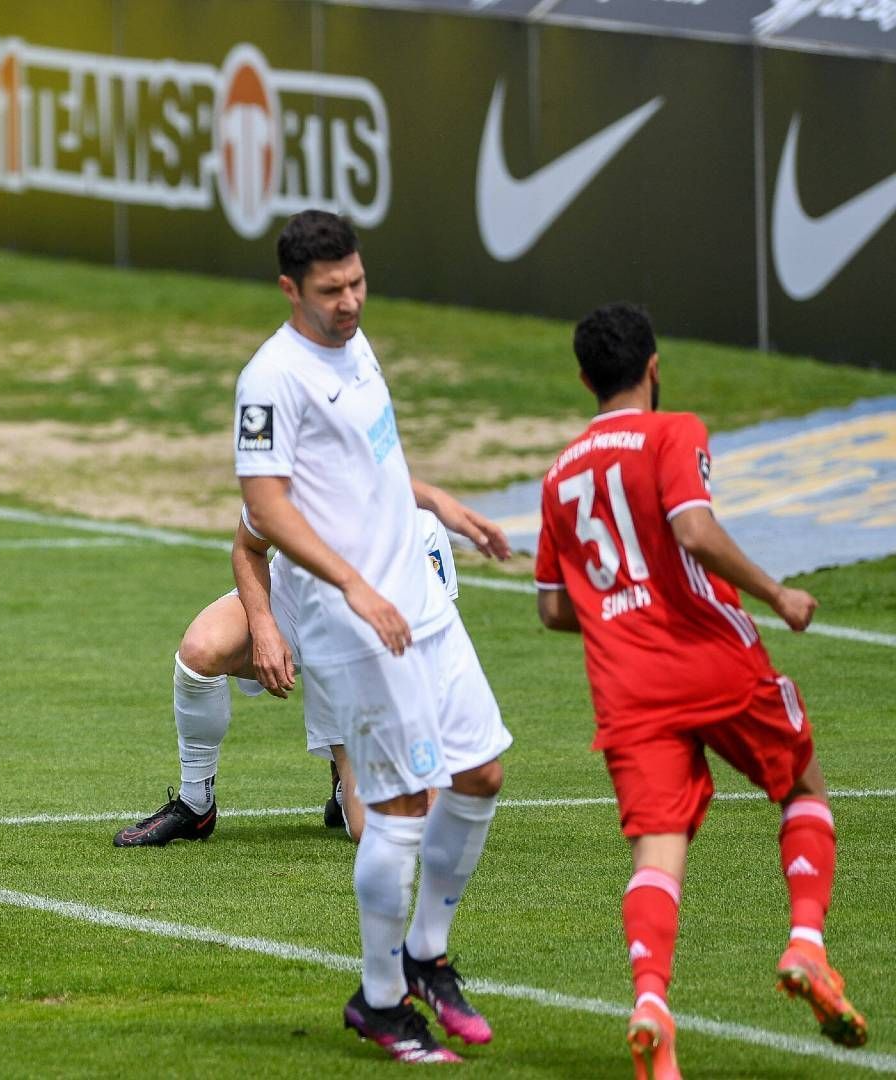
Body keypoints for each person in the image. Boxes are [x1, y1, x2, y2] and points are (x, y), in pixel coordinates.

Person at [534, 303, 867, 1078]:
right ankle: (807, 946)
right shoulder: (673, 429)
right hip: (712, 659)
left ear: (585, 379)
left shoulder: (557, 474)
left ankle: (651, 1001)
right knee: (801, 783)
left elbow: (553, 607)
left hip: (626, 685)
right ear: (653, 365)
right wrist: (777, 592)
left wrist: (620, 611)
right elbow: (692, 528)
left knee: (660, 845)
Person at [236, 210, 510, 1063]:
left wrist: (440, 502)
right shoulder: (271, 377)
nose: (350, 301)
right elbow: (266, 504)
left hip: (418, 600)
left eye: (357, 282)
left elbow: (372, 461)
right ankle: (383, 1000)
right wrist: (352, 583)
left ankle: (427, 952)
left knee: (482, 771)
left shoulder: (354, 344)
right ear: (291, 290)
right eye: (331, 291)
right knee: (397, 810)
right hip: (351, 619)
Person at [115, 491, 506, 848]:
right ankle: (195, 806)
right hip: (295, 600)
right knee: (201, 650)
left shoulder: (416, 523)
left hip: (365, 654)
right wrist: (265, 627)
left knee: (376, 830)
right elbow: (248, 547)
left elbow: (428, 649)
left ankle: (348, 781)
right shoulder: (281, 482)